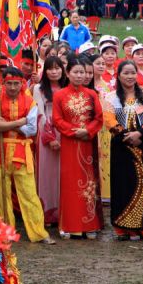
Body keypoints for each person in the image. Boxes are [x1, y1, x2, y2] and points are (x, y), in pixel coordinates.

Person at [0, 67, 54, 244]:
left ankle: (39, 232)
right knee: (1, 195)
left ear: (22, 84)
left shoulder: (30, 102)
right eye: (9, 83)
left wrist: (6, 124)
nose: (12, 87)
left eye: (16, 83)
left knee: (29, 194)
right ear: (3, 83)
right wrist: (19, 122)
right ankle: (4, 233)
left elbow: (31, 129)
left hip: (21, 153)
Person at [103, 61, 143, 240]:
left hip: (142, 144)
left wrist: (140, 133)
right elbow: (109, 119)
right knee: (121, 184)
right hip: (120, 146)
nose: (129, 76)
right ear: (118, 75)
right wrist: (126, 135)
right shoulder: (111, 98)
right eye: (125, 73)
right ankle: (122, 228)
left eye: (132, 73)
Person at [52, 55, 104, 239]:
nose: (80, 75)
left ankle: (89, 225)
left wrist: (87, 131)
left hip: (87, 144)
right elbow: (57, 120)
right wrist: (74, 131)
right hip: (69, 143)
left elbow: (99, 118)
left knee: (88, 182)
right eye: (76, 72)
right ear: (68, 73)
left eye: (82, 72)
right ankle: (69, 225)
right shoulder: (59, 95)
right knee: (69, 183)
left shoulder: (91, 94)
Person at [32, 56, 67, 225]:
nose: (54, 72)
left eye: (57, 68)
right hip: (47, 132)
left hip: (66, 132)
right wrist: (50, 137)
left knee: (65, 173)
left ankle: (65, 211)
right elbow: (39, 114)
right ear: (45, 71)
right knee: (46, 174)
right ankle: (46, 213)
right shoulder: (38, 89)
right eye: (50, 68)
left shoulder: (68, 87)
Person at [91, 53, 114, 202]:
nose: (100, 66)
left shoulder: (107, 85)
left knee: (106, 157)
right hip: (93, 125)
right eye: (97, 63)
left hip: (106, 126)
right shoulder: (88, 85)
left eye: (102, 64)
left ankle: (106, 192)